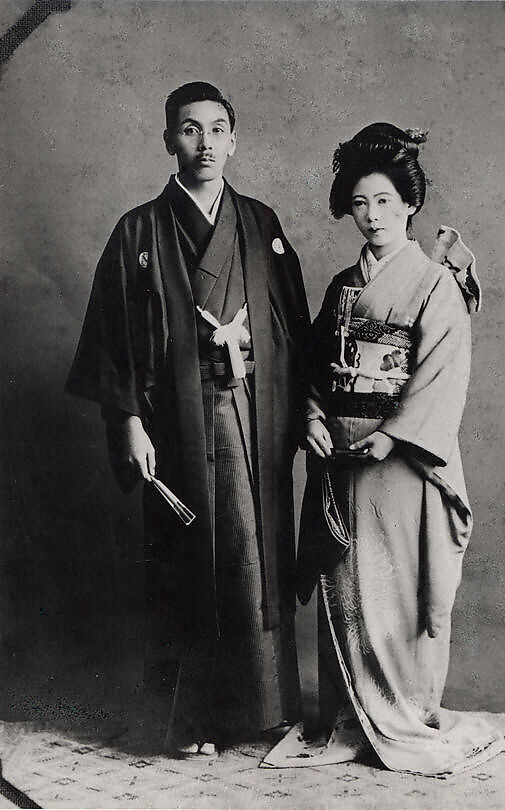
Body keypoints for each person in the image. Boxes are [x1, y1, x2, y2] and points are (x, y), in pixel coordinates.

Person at [66, 82, 309, 754]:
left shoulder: (260, 223)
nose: (205, 143)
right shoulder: (138, 230)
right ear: (168, 139)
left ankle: (259, 710)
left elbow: (292, 326)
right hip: (172, 420)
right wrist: (126, 421)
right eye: (189, 129)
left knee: (251, 556)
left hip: (250, 416)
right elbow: (113, 337)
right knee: (185, 560)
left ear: (234, 138)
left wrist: (251, 349)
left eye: (218, 128)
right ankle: (193, 719)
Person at [264, 123, 503, 776]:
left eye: (385, 201)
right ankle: (347, 716)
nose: (371, 215)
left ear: (409, 204)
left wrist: (392, 436)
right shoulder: (344, 282)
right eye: (360, 202)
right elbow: (314, 366)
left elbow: (440, 376)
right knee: (343, 587)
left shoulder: (433, 285)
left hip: (397, 462)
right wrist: (311, 415)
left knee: (393, 592)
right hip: (339, 456)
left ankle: (400, 709)